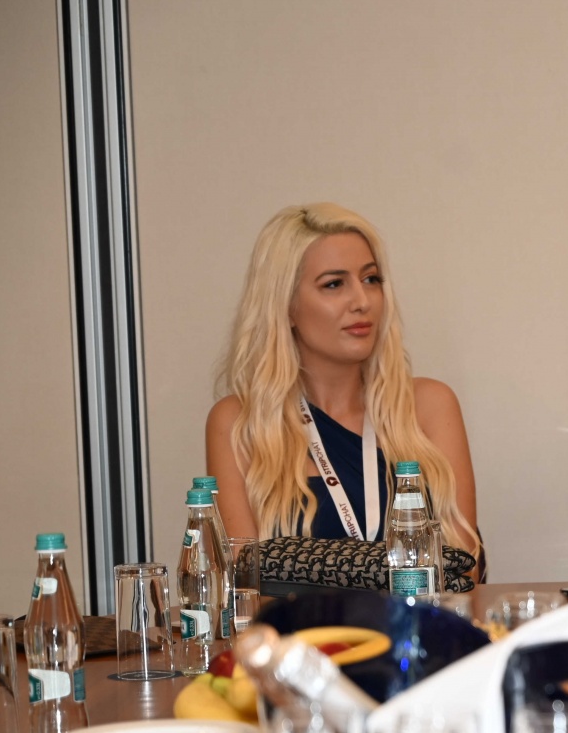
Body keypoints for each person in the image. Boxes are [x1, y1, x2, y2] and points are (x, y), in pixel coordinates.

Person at [205, 203, 481, 555]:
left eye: (371, 279)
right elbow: (240, 577)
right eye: (334, 284)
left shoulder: (428, 406)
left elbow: (463, 566)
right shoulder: (239, 423)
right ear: (286, 306)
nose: (362, 301)